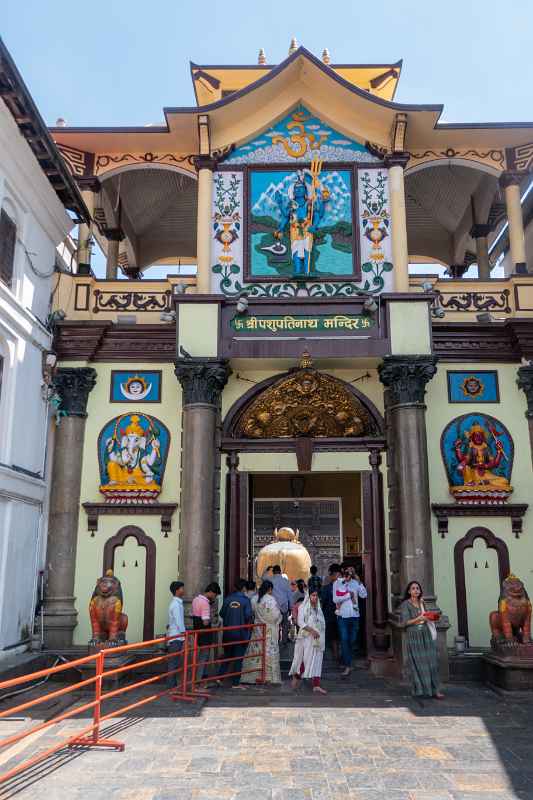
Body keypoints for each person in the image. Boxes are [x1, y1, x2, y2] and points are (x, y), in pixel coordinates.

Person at [399, 581, 444, 700]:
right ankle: (420, 690)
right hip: (414, 636)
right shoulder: (405, 605)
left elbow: (427, 616)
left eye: (417, 588)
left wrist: (431, 616)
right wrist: (419, 618)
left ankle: (435, 690)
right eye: (413, 588)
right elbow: (405, 623)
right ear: (409, 591)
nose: (415, 590)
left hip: (426, 634)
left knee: (432, 661)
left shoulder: (422, 602)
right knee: (419, 663)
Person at [240, 580, 282, 685]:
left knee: (257, 652)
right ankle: (269, 677)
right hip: (270, 630)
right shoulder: (271, 600)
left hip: (258, 629)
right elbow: (276, 616)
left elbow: (252, 613)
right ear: (270, 589)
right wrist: (279, 619)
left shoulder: (254, 599)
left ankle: (253, 675)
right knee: (269, 651)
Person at [289, 590, 327, 694]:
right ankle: (296, 677)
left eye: (317, 596)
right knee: (306, 659)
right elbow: (300, 622)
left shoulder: (318, 608)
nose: (315, 598)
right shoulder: (303, 607)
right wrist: (312, 630)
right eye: (313, 595)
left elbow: (321, 622)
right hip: (307, 638)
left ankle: (316, 684)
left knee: (317, 661)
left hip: (318, 638)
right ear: (309, 596)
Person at [217, 579, 253, 689]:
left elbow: (221, 613)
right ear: (243, 588)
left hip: (227, 633)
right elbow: (248, 616)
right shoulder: (246, 601)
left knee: (227, 656)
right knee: (238, 659)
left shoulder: (228, 599)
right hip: (241, 633)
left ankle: (219, 677)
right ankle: (236, 683)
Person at [333, 566, 368, 676]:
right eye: (347, 571)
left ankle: (345, 658)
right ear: (343, 572)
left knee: (352, 640)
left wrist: (359, 582)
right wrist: (349, 595)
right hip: (343, 616)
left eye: (351, 572)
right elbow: (335, 599)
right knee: (344, 639)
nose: (348, 574)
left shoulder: (355, 583)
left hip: (354, 615)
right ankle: (348, 665)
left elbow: (364, 595)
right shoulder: (337, 583)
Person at [191, 582, 221, 686]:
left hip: (197, 631)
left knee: (200, 657)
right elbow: (205, 621)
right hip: (205, 633)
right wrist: (213, 620)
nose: (215, 597)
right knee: (204, 657)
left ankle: (201, 678)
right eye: (215, 594)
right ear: (212, 592)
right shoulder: (205, 603)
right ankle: (200, 681)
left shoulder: (195, 599)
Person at [166, 581, 185, 689]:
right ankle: (171, 686)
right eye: (182, 588)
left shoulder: (176, 603)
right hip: (176, 637)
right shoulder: (176, 605)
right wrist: (184, 633)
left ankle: (172, 685)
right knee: (174, 662)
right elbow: (179, 622)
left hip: (175, 636)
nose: (183, 590)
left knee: (174, 662)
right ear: (177, 590)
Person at [321, 564, 341, 662]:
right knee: (336, 638)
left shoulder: (327, 588)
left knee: (333, 637)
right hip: (339, 616)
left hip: (330, 616)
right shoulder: (344, 586)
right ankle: (337, 655)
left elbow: (323, 602)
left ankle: (335, 655)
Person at [271, 565, 293, 645]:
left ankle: (276, 640)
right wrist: (291, 606)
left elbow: (263, 577)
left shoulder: (271, 580)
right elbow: (289, 594)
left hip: (274, 606)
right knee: (284, 624)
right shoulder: (285, 581)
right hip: (284, 606)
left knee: (275, 624)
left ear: (273, 572)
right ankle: (284, 640)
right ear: (280, 571)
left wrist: (267, 570)